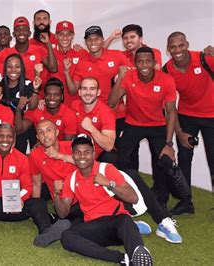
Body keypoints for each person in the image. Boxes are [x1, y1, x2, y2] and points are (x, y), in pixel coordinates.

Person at [56, 135, 153, 265]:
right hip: (95, 227)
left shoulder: (106, 169)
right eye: (78, 153)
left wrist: (108, 183)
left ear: (94, 153)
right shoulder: (71, 178)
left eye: (87, 152)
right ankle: (122, 258)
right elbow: (63, 213)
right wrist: (56, 193)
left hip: (116, 223)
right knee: (67, 237)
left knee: (125, 220)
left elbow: (133, 198)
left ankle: (138, 254)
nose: (82, 157)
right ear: (72, 155)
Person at [0, 123, 70, 247]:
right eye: (1, 136)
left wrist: (19, 199)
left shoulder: (22, 158)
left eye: (9, 137)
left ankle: (46, 232)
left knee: (38, 202)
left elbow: (27, 187)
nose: (5, 140)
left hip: (12, 207)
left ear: (14, 139)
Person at [109, 47, 177, 210]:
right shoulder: (129, 77)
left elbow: (171, 112)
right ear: (135, 63)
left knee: (163, 161)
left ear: (154, 62)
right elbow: (112, 102)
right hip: (133, 124)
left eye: (148, 61)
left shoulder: (166, 80)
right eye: (140, 61)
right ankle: (128, 195)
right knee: (122, 159)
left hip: (157, 125)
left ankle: (161, 200)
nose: (144, 65)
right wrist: (120, 79)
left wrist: (169, 144)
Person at [163, 31, 213, 215]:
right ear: (168, 50)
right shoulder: (167, 70)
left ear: (187, 44)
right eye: (173, 47)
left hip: (211, 116)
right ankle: (186, 202)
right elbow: (170, 106)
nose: (177, 50)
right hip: (186, 116)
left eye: (181, 45)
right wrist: (179, 132)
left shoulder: (204, 59)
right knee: (184, 159)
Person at [29, 120, 79, 215]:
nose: (45, 135)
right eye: (41, 132)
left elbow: (88, 165)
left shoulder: (70, 146)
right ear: (37, 137)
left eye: (49, 130)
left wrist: (60, 155)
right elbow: (36, 183)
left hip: (81, 195)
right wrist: (35, 206)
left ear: (56, 132)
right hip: (60, 200)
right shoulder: (35, 155)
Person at [1, 53, 41, 153]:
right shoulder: (0, 85)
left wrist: (35, 90)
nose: (13, 70)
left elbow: (32, 107)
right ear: (5, 70)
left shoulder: (27, 84)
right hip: (3, 129)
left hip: (22, 130)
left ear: (22, 69)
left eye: (17, 67)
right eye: (9, 67)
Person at [70, 77, 116, 162]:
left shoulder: (106, 112)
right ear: (79, 92)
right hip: (79, 151)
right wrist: (42, 102)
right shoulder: (74, 105)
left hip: (98, 155)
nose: (88, 93)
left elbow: (109, 146)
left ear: (98, 92)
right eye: (84, 89)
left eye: (92, 89)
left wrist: (91, 128)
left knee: (110, 156)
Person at [15, 77, 77, 142]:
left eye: (56, 95)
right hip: (41, 148)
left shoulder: (69, 114)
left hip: (60, 150)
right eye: (48, 94)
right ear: (44, 96)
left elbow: (67, 145)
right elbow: (19, 130)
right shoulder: (37, 109)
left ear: (62, 97)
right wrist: (18, 110)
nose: (52, 98)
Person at [0, 16, 57, 80]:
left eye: (24, 30)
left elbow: (53, 69)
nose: (21, 32)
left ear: (29, 33)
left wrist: (48, 43)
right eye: (18, 30)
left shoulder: (39, 50)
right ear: (14, 34)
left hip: (35, 89)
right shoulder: (5, 53)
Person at [50, 20, 89, 106]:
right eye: (61, 34)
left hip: (77, 106)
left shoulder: (82, 53)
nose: (65, 38)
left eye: (68, 34)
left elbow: (97, 55)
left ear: (73, 36)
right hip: (54, 105)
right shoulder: (50, 54)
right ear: (56, 36)